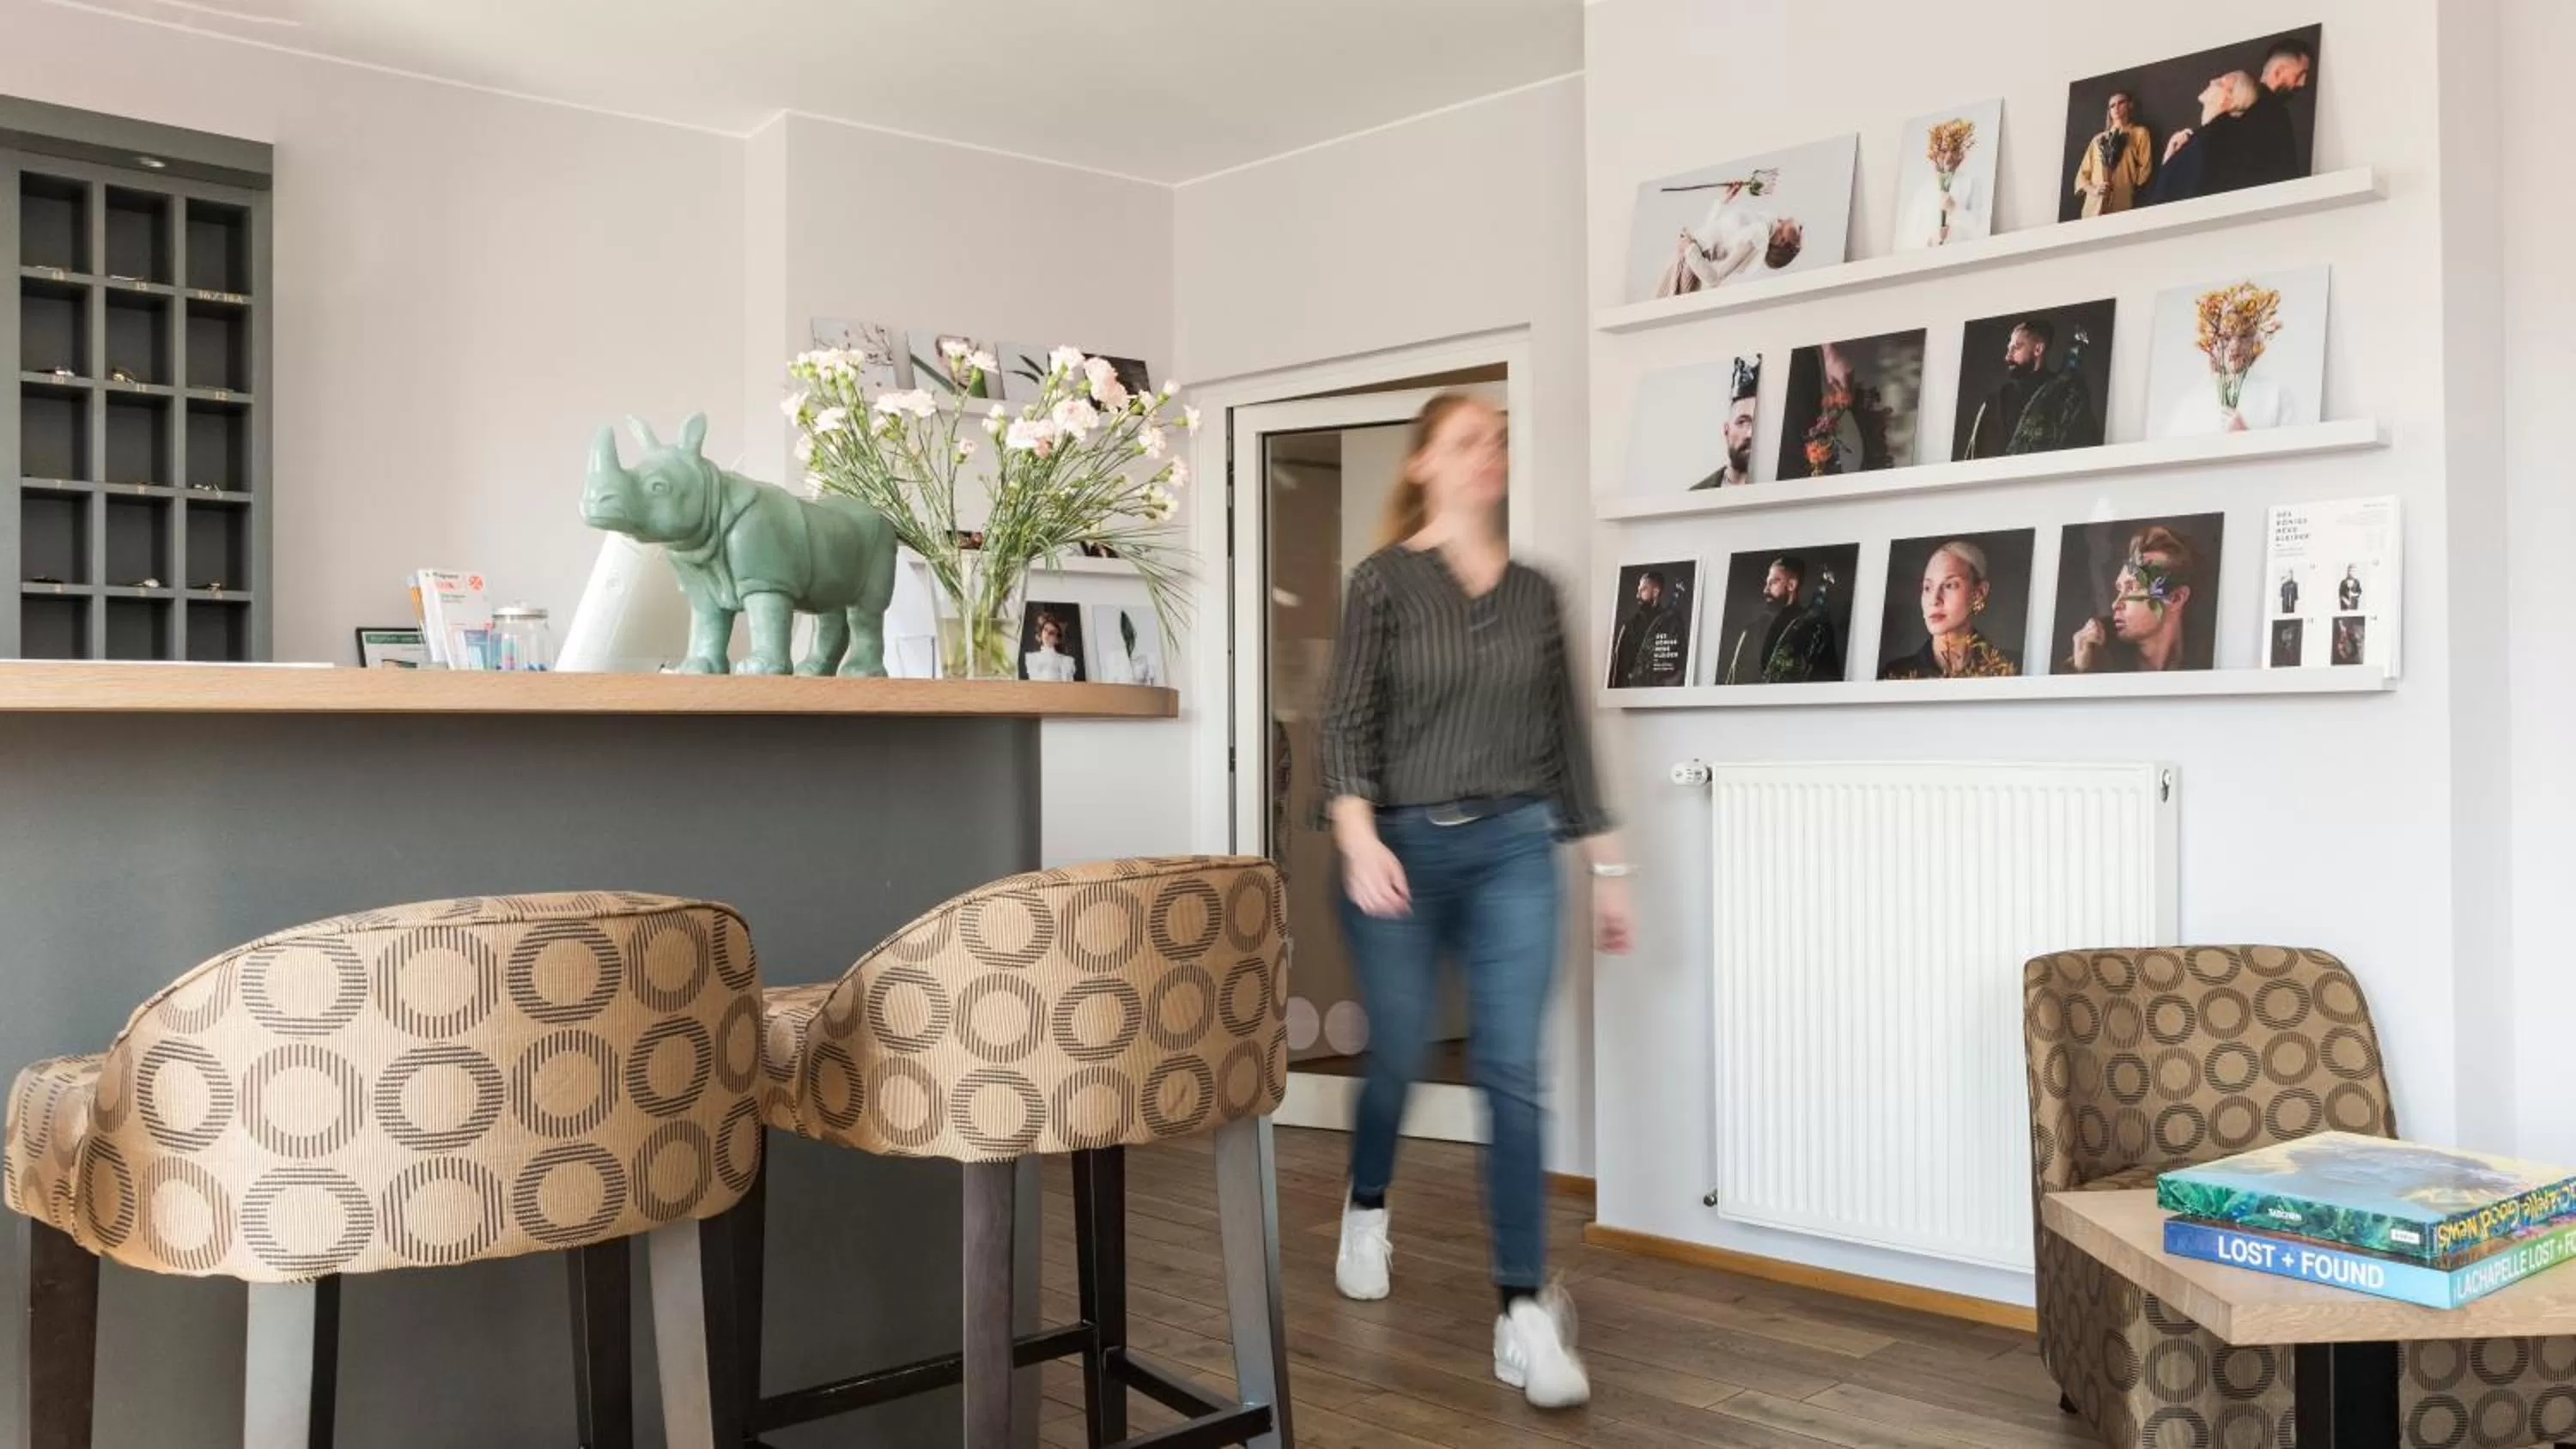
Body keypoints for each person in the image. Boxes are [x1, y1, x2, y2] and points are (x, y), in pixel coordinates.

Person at [1314, 392, 1632, 1410]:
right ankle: (1368, 1201)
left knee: (1512, 1070)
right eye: (1465, 440)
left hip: (1514, 849)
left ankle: (1522, 1310)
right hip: (1397, 850)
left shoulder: (1537, 593)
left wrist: (1608, 869)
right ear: (1423, 464)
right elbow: (1346, 723)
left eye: (1497, 439)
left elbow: (1566, 739)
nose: (1487, 453)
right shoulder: (1382, 582)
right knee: (1400, 1051)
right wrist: (1358, 835)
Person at [2171, 34, 2313, 193]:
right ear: (2279, 72)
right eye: (2300, 75)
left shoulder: (2202, 141)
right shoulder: (2274, 116)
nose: (2303, 83)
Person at [2066, 524, 2208, 673]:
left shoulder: (2206, 660)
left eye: (2133, 588)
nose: (2116, 604)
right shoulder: (2096, 652)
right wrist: (2081, 670)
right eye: (2120, 589)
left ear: (2175, 598)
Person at [1958, 318, 2102, 459]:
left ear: (2038, 349)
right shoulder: (1994, 401)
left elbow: (2085, 452)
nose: (2007, 357)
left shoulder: (2066, 395)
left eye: (2016, 348)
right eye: (2009, 349)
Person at [1880, 540, 2020, 679]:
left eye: (1949, 585)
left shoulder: (2011, 668)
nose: (1934, 600)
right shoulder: (1896, 674)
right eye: (1927, 588)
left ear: (1979, 593)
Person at [1656, 175, 1804, 296]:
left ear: (1783, 241)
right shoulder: (1761, 224)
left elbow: (1714, 279)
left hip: (1688, 265)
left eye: (1798, 240)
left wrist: (1689, 248)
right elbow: (1710, 233)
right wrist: (1723, 200)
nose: (1802, 228)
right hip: (1682, 257)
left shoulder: (1758, 235)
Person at [1722, 555, 1842, 684]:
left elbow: (1831, 684)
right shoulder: (1752, 630)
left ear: (1791, 585)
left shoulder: (1817, 629)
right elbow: (1731, 685)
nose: (1765, 590)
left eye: (1773, 582)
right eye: (1767, 583)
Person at [2144, 70, 2258, 206]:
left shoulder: (2208, 143)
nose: (2212, 81)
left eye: (2221, 83)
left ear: (2228, 102)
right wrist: (2171, 157)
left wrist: (2170, 161)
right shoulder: (2214, 138)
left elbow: (2163, 202)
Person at [2073, 90, 2154, 218]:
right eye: (2112, 105)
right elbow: (2082, 176)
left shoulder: (2140, 133)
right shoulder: (2097, 139)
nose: (2116, 108)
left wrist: (2127, 183)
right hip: (2094, 205)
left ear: (2130, 105)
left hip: (2122, 202)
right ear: (2109, 111)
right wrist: (2095, 190)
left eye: (2121, 103)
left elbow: (2145, 168)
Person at [1692, 357, 1761, 489]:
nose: (1749, 433)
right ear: (1726, 430)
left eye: (1756, 423)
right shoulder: (1697, 494)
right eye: (1742, 422)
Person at [1607, 569, 1681, 687]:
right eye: (1638, 590)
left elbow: (1680, 665)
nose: (1637, 595)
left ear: (1655, 592)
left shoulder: (1671, 622)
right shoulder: (1629, 626)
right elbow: (1617, 672)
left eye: (1643, 590)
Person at [1022, 609, 1078, 682]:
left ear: (1057, 640)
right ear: (1041, 632)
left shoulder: (1065, 661)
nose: (1047, 634)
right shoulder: (1032, 658)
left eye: (1052, 633)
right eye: (1045, 629)